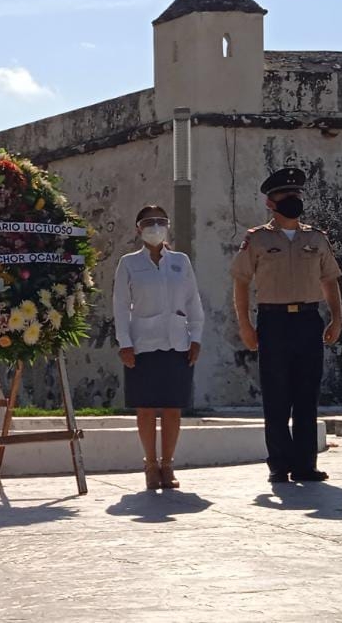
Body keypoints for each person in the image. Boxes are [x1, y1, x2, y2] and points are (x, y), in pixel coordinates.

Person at [230, 167, 342, 484]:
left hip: (308, 320)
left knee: (307, 395)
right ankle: (279, 464)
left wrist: (337, 318)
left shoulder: (316, 238)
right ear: (271, 202)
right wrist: (245, 325)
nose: (293, 200)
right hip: (273, 321)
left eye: (297, 195)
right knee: (277, 396)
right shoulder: (257, 239)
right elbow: (240, 282)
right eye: (285, 196)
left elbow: (330, 280)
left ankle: (306, 464)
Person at [113, 205, 204, 490]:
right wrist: (124, 343)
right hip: (143, 344)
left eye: (161, 221)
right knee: (146, 408)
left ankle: (168, 464)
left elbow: (193, 301)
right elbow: (119, 304)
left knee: (173, 407)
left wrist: (196, 336)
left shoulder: (180, 261)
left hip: (177, 342)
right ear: (138, 228)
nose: (155, 226)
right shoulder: (129, 263)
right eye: (149, 222)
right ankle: (150, 465)